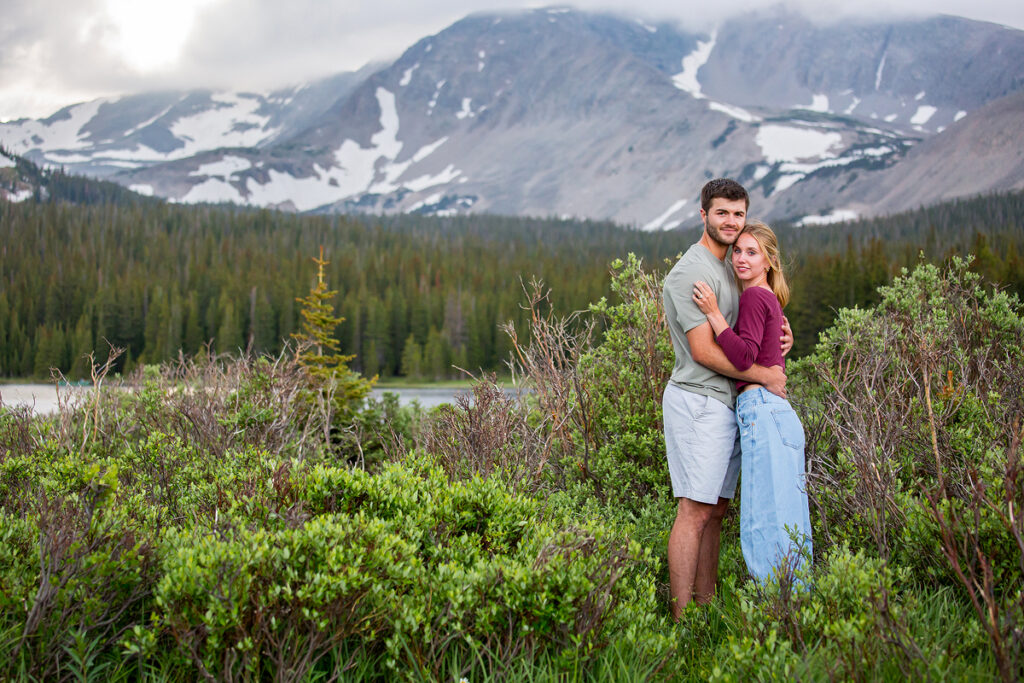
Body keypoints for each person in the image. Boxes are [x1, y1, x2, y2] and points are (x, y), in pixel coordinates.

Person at [662, 179, 791, 619]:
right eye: (722, 213)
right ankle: (680, 622)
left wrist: (780, 339)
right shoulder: (690, 273)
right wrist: (767, 375)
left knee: (716, 511)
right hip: (698, 401)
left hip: (728, 405)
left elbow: (750, 332)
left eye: (738, 214)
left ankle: (706, 610)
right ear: (703, 215)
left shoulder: (732, 267)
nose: (732, 223)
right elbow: (703, 350)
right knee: (694, 510)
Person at [692, 220, 813, 582]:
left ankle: (773, 611)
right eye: (738, 251)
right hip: (777, 413)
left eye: (752, 252)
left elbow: (744, 357)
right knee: (790, 517)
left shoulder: (754, 296)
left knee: (763, 517)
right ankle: (797, 602)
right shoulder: (768, 299)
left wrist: (714, 314)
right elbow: (763, 352)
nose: (741, 259)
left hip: (762, 407)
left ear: (769, 261)